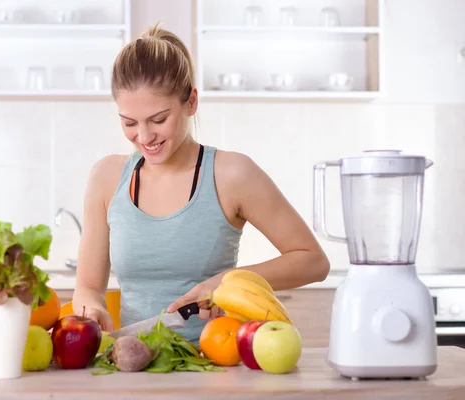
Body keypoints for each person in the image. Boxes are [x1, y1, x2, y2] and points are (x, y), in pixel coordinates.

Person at [71, 23, 330, 343]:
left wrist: (227, 282)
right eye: (129, 123)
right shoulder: (107, 178)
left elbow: (313, 260)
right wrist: (92, 310)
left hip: (217, 365)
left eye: (158, 119)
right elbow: (88, 287)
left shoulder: (232, 174)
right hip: (132, 368)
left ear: (191, 102)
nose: (145, 136)